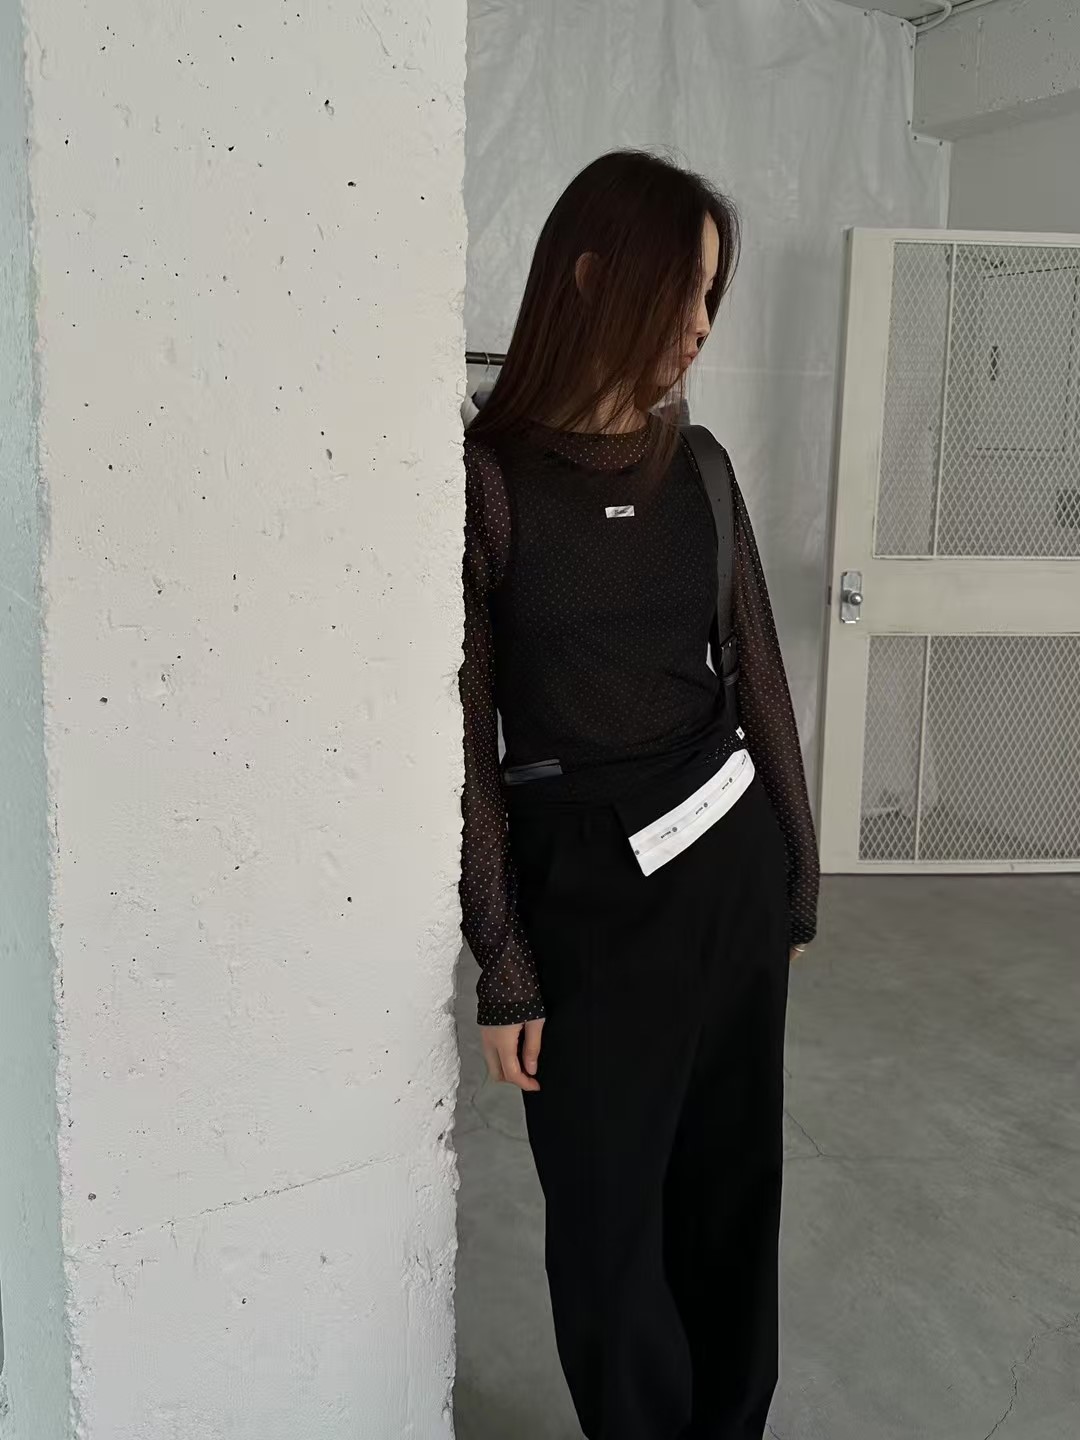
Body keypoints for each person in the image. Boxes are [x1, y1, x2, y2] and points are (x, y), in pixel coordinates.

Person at [459, 150, 819, 1440]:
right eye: (683, 292)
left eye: (713, 296)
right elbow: (464, 732)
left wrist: (796, 875)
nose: (702, 325)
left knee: (731, 1191)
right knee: (609, 1218)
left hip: (727, 876)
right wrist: (504, 960)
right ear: (591, 277)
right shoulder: (490, 481)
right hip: (586, 899)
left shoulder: (702, 467)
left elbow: (757, 674)